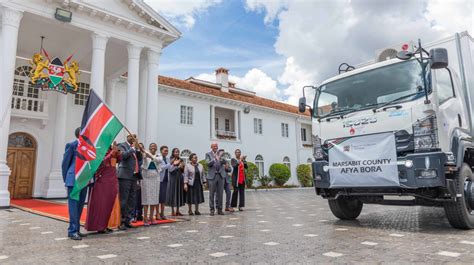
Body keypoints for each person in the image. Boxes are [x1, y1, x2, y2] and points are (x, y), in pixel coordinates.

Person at [85, 142, 121, 233]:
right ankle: (99, 226)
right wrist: (112, 153)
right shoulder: (99, 150)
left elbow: (118, 160)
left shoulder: (111, 150)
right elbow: (101, 162)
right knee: (102, 204)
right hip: (103, 181)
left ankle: (108, 224)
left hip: (112, 180)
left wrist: (117, 153)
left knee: (111, 203)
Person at [61, 127, 88, 240]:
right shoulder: (71, 145)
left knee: (80, 206)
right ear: (79, 134)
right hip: (73, 180)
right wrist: (67, 179)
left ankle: (76, 229)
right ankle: (72, 231)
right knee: (73, 207)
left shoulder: (88, 148)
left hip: (83, 180)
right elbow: (65, 163)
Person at [117, 134, 142, 230]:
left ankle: (128, 220)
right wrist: (132, 149)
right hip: (125, 176)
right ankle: (121, 221)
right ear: (127, 137)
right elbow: (122, 156)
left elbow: (139, 159)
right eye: (131, 136)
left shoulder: (135, 147)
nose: (133, 137)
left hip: (134, 176)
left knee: (132, 200)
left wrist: (138, 149)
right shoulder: (122, 145)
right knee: (124, 199)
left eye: (135, 136)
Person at [205, 143, 231, 216]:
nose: (216, 147)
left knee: (220, 193)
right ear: (211, 147)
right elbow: (207, 163)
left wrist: (220, 157)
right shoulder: (208, 154)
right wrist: (214, 159)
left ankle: (219, 209)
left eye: (216, 146)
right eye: (214, 146)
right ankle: (212, 210)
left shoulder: (221, 154)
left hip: (221, 175)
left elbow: (225, 162)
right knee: (211, 194)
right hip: (212, 176)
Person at [141, 143, 162, 225]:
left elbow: (158, 160)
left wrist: (151, 156)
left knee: (154, 197)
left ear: (156, 148)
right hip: (146, 176)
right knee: (146, 198)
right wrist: (145, 153)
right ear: (149, 148)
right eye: (151, 147)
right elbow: (143, 158)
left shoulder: (158, 155)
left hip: (155, 177)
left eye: (154, 147)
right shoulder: (145, 153)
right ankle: (145, 218)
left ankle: (151, 217)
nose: (153, 148)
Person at [166, 148, 186, 216]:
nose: (177, 153)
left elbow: (183, 170)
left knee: (178, 194)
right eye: (176, 152)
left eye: (178, 152)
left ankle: (177, 210)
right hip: (173, 179)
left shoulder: (181, 159)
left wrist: (182, 167)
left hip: (179, 178)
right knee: (173, 193)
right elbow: (170, 170)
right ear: (173, 153)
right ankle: (172, 211)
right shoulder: (171, 159)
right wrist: (177, 166)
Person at [131, 143, 145, 223]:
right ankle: (134, 215)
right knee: (135, 198)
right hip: (137, 177)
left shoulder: (145, 156)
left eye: (141, 148)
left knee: (141, 198)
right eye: (139, 148)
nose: (140, 149)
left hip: (145, 179)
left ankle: (140, 214)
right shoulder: (135, 156)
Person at [158, 146, 170, 219]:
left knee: (163, 199)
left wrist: (175, 165)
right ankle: (157, 213)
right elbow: (161, 168)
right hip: (159, 180)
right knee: (158, 198)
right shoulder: (158, 158)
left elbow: (170, 168)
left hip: (166, 179)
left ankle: (162, 213)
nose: (166, 152)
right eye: (165, 151)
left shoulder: (168, 159)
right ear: (161, 151)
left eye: (167, 151)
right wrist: (170, 164)